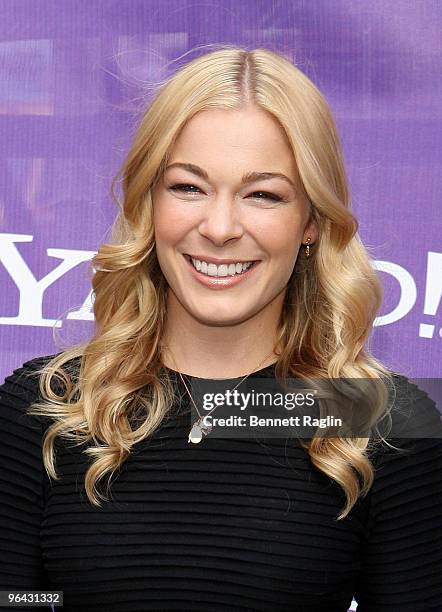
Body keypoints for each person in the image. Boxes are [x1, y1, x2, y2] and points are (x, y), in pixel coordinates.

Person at [0, 46, 441, 612]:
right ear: (149, 201)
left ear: (311, 221)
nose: (221, 227)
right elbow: (17, 599)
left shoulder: (372, 421)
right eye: (188, 187)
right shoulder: (51, 405)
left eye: (263, 195)